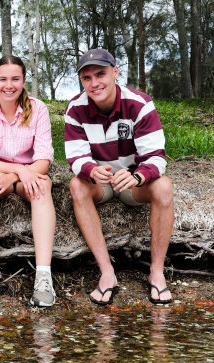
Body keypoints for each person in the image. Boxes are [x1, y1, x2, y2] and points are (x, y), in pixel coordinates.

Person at [64, 48, 174, 305]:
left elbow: (157, 157)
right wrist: (91, 170)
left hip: (132, 182)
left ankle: (156, 273)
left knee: (164, 188)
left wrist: (137, 177)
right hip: (99, 183)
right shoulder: (75, 108)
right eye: (87, 78)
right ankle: (107, 273)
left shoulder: (140, 104)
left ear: (115, 72)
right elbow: (76, 158)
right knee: (76, 186)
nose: (94, 83)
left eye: (100, 74)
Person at [0, 56, 56, 306]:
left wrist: (18, 174)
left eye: (15, 79)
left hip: (30, 175)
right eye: (3, 79)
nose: (9, 85)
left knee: (42, 188)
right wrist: (17, 170)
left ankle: (43, 277)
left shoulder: (38, 109)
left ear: (23, 80)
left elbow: (43, 160)